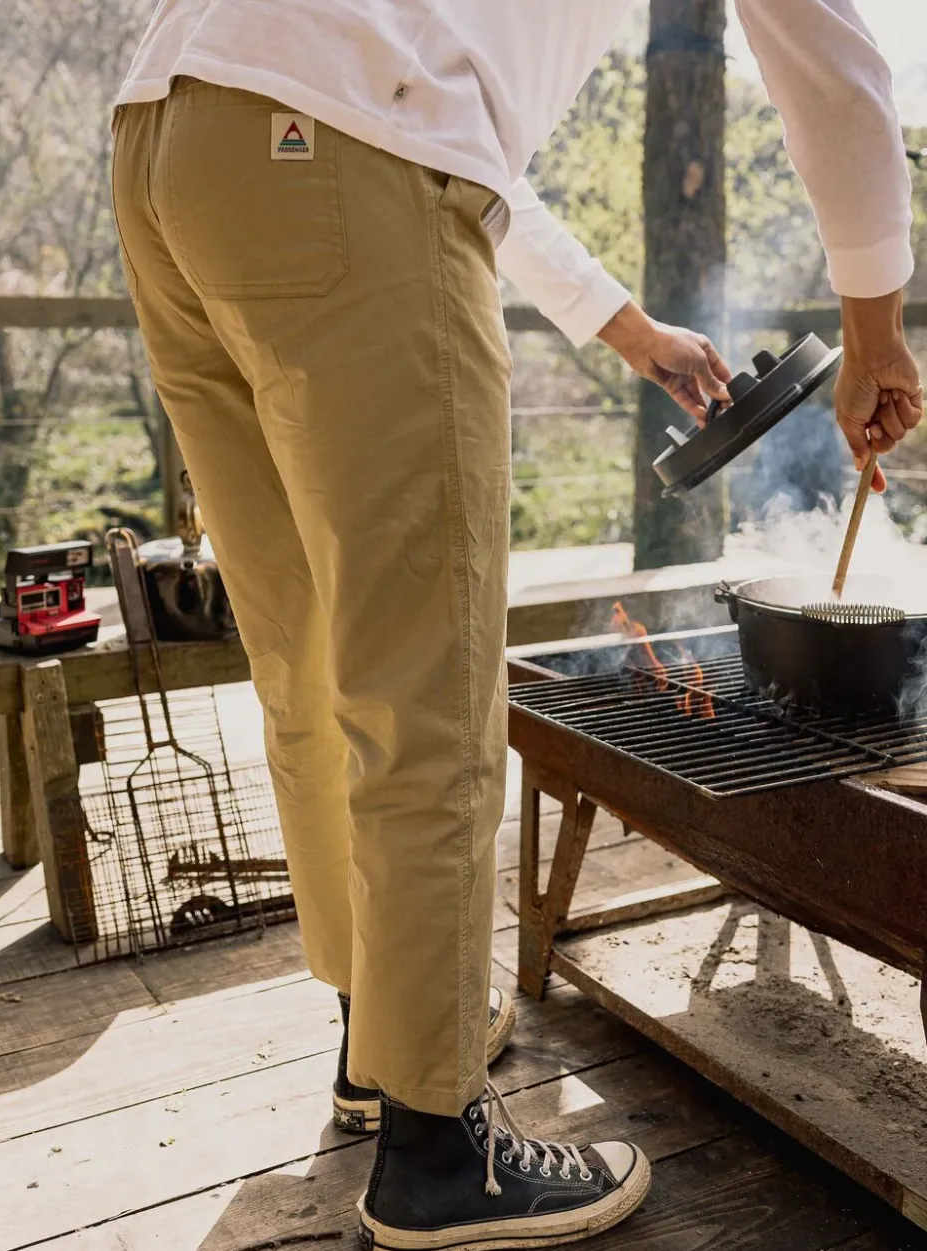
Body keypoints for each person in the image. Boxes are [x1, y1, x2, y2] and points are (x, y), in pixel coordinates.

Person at [111, 2, 922, 1246]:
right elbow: (829, 56)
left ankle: (378, 1046)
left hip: (171, 139)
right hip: (333, 138)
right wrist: (874, 329)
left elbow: (431, 125)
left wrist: (625, 326)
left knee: (309, 652)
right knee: (426, 681)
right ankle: (439, 1155)